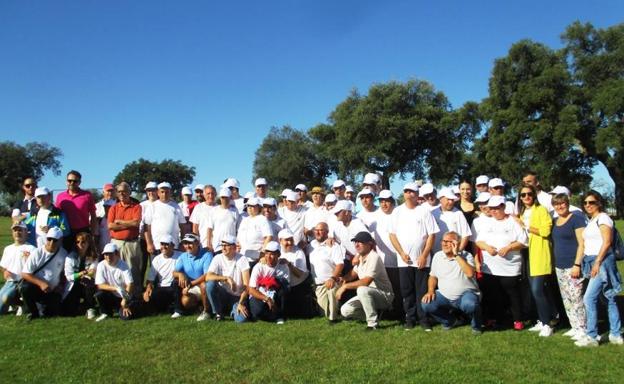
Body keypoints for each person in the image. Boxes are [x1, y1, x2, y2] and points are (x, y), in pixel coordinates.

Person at [575, 190, 622, 347]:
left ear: (599, 203)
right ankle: (615, 333)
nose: (588, 205)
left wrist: (597, 262)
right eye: (586, 203)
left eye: (592, 202)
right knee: (608, 297)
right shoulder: (591, 220)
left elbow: (607, 242)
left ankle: (592, 336)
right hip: (592, 260)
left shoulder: (603, 218)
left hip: (601, 261)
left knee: (589, 298)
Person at [389, 182, 439, 330]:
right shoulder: (397, 212)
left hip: (422, 261)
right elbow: (392, 235)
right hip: (404, 261)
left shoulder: (424, 212)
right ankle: (410, 319)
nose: (409, 194)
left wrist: (424, 255)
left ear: (417, 195)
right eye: (406, 191)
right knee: (407, 291)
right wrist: (401, 253)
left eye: (412, 192)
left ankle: (424, 320)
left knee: (422, 291)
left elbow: (432, 235)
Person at [475, 196, 527, 330]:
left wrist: (509, 247)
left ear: (503, 207)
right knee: (494, 295)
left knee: (512, 294)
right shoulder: (487, 223)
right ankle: (496, 319)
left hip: (510, 267)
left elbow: (523, 241)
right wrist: (487, 248)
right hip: (490, 268)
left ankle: (518, 320)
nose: (494, 211)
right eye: (492, 208)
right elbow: (479, 241)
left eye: (497, 208)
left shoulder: (513, 222)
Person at [514, 184, 556, 337]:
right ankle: (543, 319)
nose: (526, 197)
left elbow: (545, 231)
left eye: (529, 194)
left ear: (534, 195)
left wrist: (526, 226)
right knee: (535, 290)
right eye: (523, 195)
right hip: (527, 253)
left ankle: (547, 324)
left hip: (539, 253)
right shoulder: (523, 211)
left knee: (537, 290)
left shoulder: (541, 210)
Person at [421, 232, 482, 334]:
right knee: (426, 303)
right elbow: (433, 276)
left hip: (466, 295)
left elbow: (470, 273)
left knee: (470, 304)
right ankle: (450, 321)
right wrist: (430, 290)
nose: (445, 244)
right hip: (445, 296)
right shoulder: (437, 256)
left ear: (457, 243)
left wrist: (456, 255)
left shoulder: (467, 255)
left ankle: (476, 326)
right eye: (443, 241)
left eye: (449, 242)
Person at [337, 231, 394, 330]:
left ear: (369, 244)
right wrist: (341, 279)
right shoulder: (361, 257)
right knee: (345, 310)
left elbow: (366, 281)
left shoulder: (374, 257)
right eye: (355, 242)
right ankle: (376, 315)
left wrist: (345, 286)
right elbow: (353, 274)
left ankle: (372, 324)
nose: (356, 244)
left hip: (384, 295)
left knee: (362, 289)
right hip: (367, 295)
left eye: (360, 242)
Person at [551, 193, 587, 341]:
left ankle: (583, 328)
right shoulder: (554, 221)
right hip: (560, 266)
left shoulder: (576, 219)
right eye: (556, 204)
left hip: (573, 265)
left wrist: (577, 264)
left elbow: (582, 243)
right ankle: (574, 326)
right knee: (566, 298)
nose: (559, 206)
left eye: (562, 203)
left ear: (567, 203)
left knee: (576, 297)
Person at [19, 227, 68, 319]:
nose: (51, 243)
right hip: (36, 287)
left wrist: (60, 286)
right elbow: (25, 273)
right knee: (25, 288)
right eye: (49, 239)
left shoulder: (64, 254)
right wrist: (41, 284)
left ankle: (42, 308)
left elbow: (64, 273)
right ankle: (33, 313)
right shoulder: (37, 253)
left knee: (52, 313)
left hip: (53, 290)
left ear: (61, 240)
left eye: (55, 240)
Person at [370, 190, 402, 319]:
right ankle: (388, 313)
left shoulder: (399, 213)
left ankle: (400, 312)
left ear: (392, 202)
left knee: (400, 289)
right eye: (381, 201)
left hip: (401, 259)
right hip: (383, 261)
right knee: (386, 289)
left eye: (387, 201)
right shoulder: (375, 217)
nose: (384, 204)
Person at [107, 181, 143, 298]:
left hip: (131, 243)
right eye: (119, 192)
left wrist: (120, 222)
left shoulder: (136, 207)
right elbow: (111, 226)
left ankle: (135, 297)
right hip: (116, 243)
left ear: (129, 192)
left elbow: (136, 223)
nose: (122, 194)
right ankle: (119, 298)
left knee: (133, 271)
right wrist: (129, 224)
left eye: (124, 191)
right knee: (117, 271)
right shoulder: (114, 208)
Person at [205, 235, 251, 322]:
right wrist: (226, 278)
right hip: (223, 294)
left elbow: (247, 286)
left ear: (234, 247)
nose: (223, 248)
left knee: (241, 320)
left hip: (237, 297)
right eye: (222, 245)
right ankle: (218, 313)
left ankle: (231, 310)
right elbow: (208, 276)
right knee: (210, 284)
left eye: (226, 245)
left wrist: (241, 303)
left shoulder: (242, 259)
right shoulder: (217, 258)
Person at [307, 222, 345, 322]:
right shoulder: (311, 245)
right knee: (324, 313)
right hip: (318, 285)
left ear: (327, 232)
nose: (318, 232)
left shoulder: (333, 245)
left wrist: (333, 278)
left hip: (332, 281)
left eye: (321, 230)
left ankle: (334, 319)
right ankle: (337, 312)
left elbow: (340, 264)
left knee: (332, 291)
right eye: (316, 230)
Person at [172, 233, 213, 321]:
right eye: (185, 243)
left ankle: (207, 312)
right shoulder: (183, 256)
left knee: (203, 285)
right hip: (192, 286)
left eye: (190, 243)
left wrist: (191, 284)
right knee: (185, 301)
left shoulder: (207, 255)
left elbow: (207, 275)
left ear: (197, 243)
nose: (187, 246)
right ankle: (181, 310)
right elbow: (174, 273)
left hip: (202, 284)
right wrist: (180, 274)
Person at [248, 241, 290, 323]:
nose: (268, 257)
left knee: (283, 285)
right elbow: (251, 290)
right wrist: (266, 298)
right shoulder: (259, 266)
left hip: (275, 293)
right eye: (266, 253)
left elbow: (287, 287)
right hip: (259, 295)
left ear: (278, 255)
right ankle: (271, 316)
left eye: (272, 254)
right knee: (258, 311)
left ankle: (279, 316)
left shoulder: (283, 266)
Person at [55, 170, 97, 251]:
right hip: (66, 232)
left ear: (79, 182)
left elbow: (93, 215)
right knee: (67, 257)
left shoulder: (87, 195)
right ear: (66, 181)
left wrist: (92, 233)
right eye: (69, 180)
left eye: (75, 181)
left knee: (83, 257)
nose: (72, 183)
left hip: (83, 231)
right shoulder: (60, 196)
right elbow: (57, 216)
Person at [94, 243, 138, 321]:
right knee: (99, 294)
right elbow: (99, 285)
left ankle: (122, 308)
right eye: (106, 254)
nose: (108, 257)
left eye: (110, 254)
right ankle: (106, 313)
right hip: (111, 294)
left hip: (123, 296)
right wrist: (116, 288)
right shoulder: (101, 265)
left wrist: (124, 300)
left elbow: (130, 284)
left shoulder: (123, 265)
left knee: (126, 317)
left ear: (116, 254)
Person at [0, 223, 36, 315]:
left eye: (20, 230)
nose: (17, 233)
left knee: (6, 297)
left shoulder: (31, 249)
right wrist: (5, 271)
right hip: (10, 282)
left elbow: (35, 268)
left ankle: (21, 304)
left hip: (23, 282)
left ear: (26, 233)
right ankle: (15, 304)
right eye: (15, 230)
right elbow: (3, 266)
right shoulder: (8, 249)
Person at [61, 232, 98, 318]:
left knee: (87, 280)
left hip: (87, 284)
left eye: (83, 242)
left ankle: (90, 307)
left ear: (89, 243)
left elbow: (92, 272)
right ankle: (80, 306)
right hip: (73, 285)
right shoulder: (70, 257)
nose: (80, 244)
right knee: (68, 312)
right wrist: (81, 273)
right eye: (78, 242)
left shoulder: (94, 257)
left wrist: (85, 274)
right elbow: (69, 276)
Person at [144, 182, 186, 254]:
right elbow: (147, 227)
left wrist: (182, 243)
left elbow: (182, 226)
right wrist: (149, 244)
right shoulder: (152, 206)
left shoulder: (176, 207)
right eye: (162, 192)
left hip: (173, 245)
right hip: (157, 245)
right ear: (158, 193)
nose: (164, 194)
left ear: (170, 193)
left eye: (167, 192)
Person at [278, 228, 312, 318]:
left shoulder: (299, 252)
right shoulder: (276, 251)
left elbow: (299, 274)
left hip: (299, 285)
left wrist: (289, 264)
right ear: (280, 241)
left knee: (301, 314)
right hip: (283, 286)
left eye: (291, 239)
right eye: (286, 240)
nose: (289, 243)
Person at [143, 235, 181, 314]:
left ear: (173, 246)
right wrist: (148, 288)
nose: (164, 247)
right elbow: (150, 279)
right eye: (162, 244)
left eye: (166, 244)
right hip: (162, 287)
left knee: (176, 285)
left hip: (175, 286)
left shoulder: (180, 256)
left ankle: (178, 310)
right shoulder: (157, 259)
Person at [431, 187, 472, 254]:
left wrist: (458, 252)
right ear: (441, 199)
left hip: (454, 255)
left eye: (452, 200)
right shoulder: (433, 213)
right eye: (448, 199)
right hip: (436, 255)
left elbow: (466, 235)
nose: (451, 202)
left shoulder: (458, 213)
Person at [237, 197, 273, 266]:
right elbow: (238, 238)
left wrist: (263, 254)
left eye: (252, 206)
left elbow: (269, 236)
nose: (250, 208)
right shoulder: (244, 220)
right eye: (248, 206)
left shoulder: (263, 219)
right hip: (242, 258)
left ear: (259, 207)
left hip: (256, 259)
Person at [205, 188, 241, 253]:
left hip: (231, 245)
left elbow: (238, 229)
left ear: (230, 198)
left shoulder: (235, 211)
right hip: (217, 246)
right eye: (223, 197)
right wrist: (209, 243)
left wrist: (238, 243)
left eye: (227, 197)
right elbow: (209, 229)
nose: (225, 199)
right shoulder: (214, 210)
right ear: (220, 198)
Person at [189, 184, 218, 249]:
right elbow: (195, 227)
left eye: (212, 193)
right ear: (204, 195)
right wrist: (196, 242)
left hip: (217, 245)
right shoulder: (198, 207)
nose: (210, 196)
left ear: (215, 194)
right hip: (202, 244)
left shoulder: (219, 208)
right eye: (208, 193)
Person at [95, 183, 116, 252]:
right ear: (103, 192)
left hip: (115, 236)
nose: (110, 193)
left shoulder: (119, 205)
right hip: (101, 236)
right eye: (108, 191)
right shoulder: (97, 206)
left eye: (112, 191)